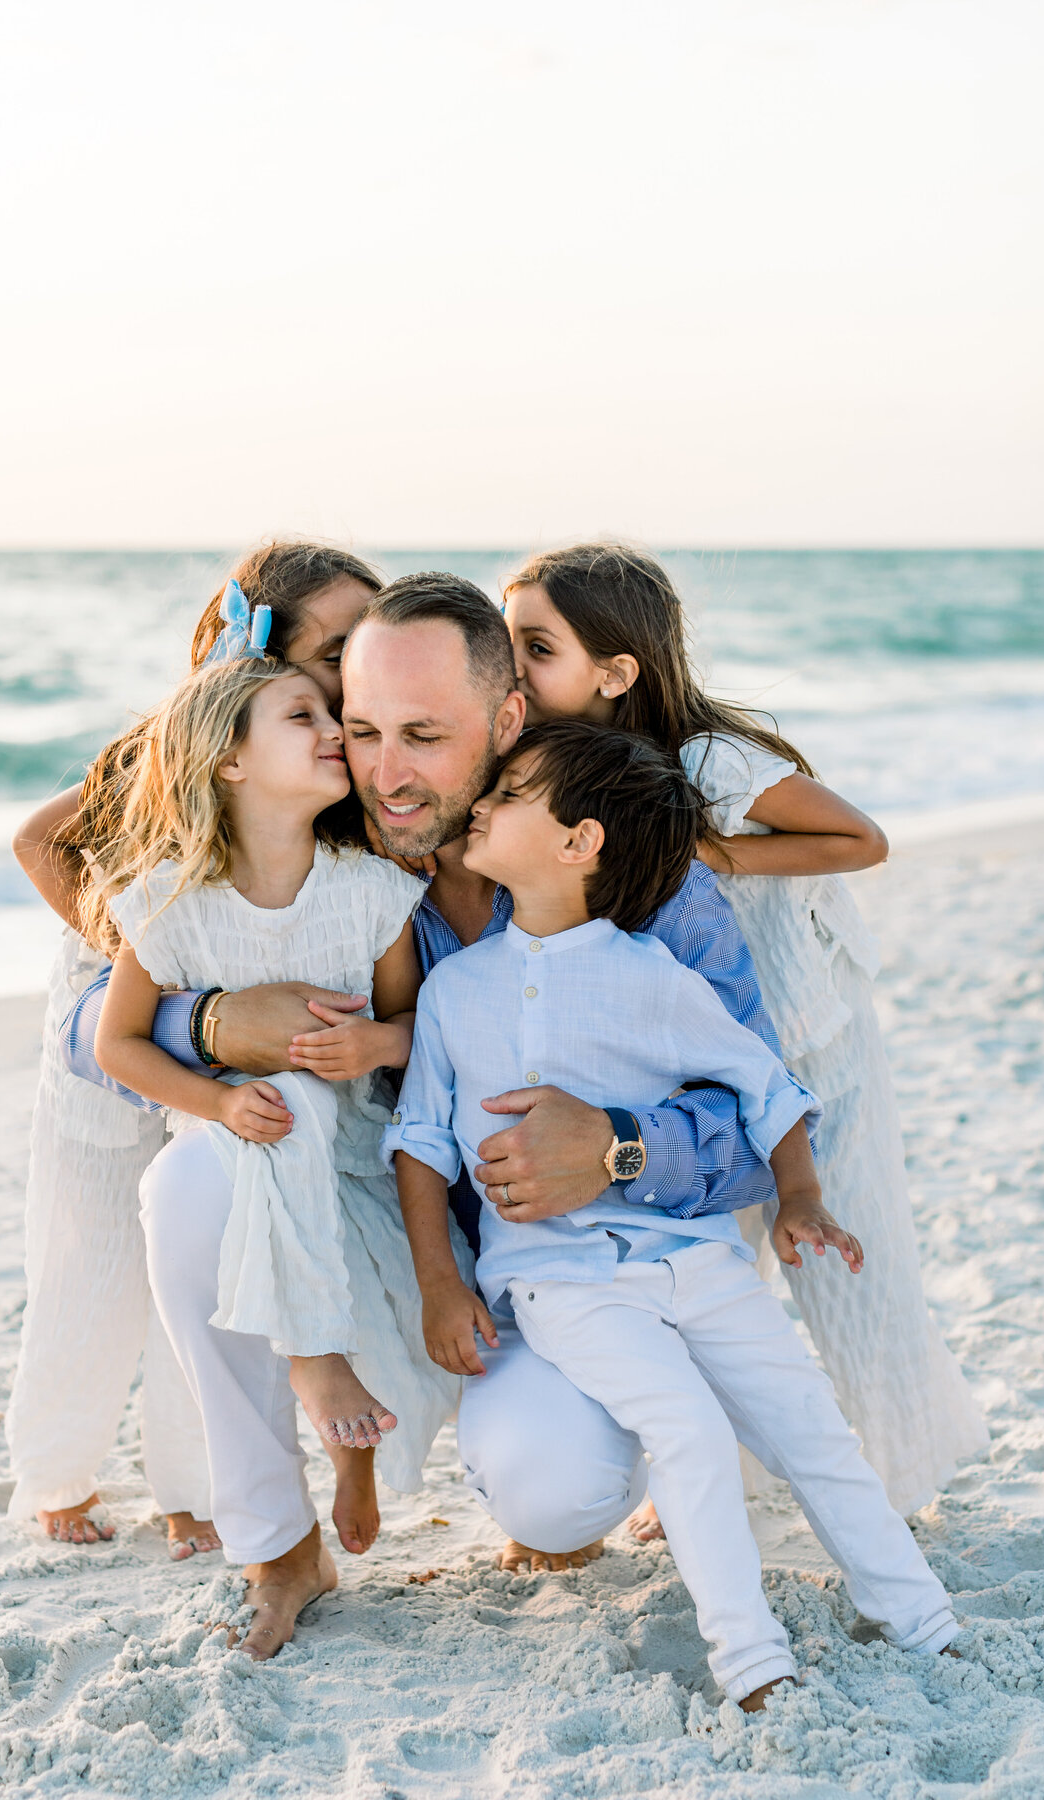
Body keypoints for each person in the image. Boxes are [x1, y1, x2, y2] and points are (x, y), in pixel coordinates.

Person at [73, 572, 807, 1588]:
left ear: (508, 717)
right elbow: (91, 1032)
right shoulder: (325, 843)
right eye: (363, 730)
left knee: (555, 1495)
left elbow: (754, 1116)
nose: (386, 773)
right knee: (192, 1184)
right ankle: (278, 1545)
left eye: (424, 736)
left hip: (568, 1262)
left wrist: (616, 1147)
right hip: (383, 1233)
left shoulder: (629, 867)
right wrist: (210, 1021)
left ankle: (634, 1425)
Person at [386, 719, 960, 1712]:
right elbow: (421, 1142)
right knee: (688, 1429)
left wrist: (801, 1197)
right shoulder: (453, 990)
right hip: (559, 1278)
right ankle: (751, 1663)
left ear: (580, 843)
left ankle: (923, 1622)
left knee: (811, 1428)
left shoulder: (650, 973)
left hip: (697, 1261)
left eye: (511, 792)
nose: (480, 803)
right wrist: (441, 1280)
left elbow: (762, 1081)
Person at [502, 543, 989, 1519]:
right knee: (712, 1273)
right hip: (703, 1060)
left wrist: (708, 846)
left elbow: (863, 839)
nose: (511, 665)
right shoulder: (566, 769)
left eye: (535, 645)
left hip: (814, 1049)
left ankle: (900, 1482)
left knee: (849, 1270)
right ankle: (722, 1476)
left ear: (616, 671)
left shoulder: (706, 762)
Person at [7, 540, 381, 1552]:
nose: (361, 663)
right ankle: (57, 1472)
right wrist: (134, 947)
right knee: (89, 1252)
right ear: (268, 650)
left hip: (218, 1019)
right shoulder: (183, 736)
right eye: (340, 646)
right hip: (114, 1012)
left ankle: (192, 1489)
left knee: (197, 1252)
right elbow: (41, 840)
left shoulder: (329, 748)